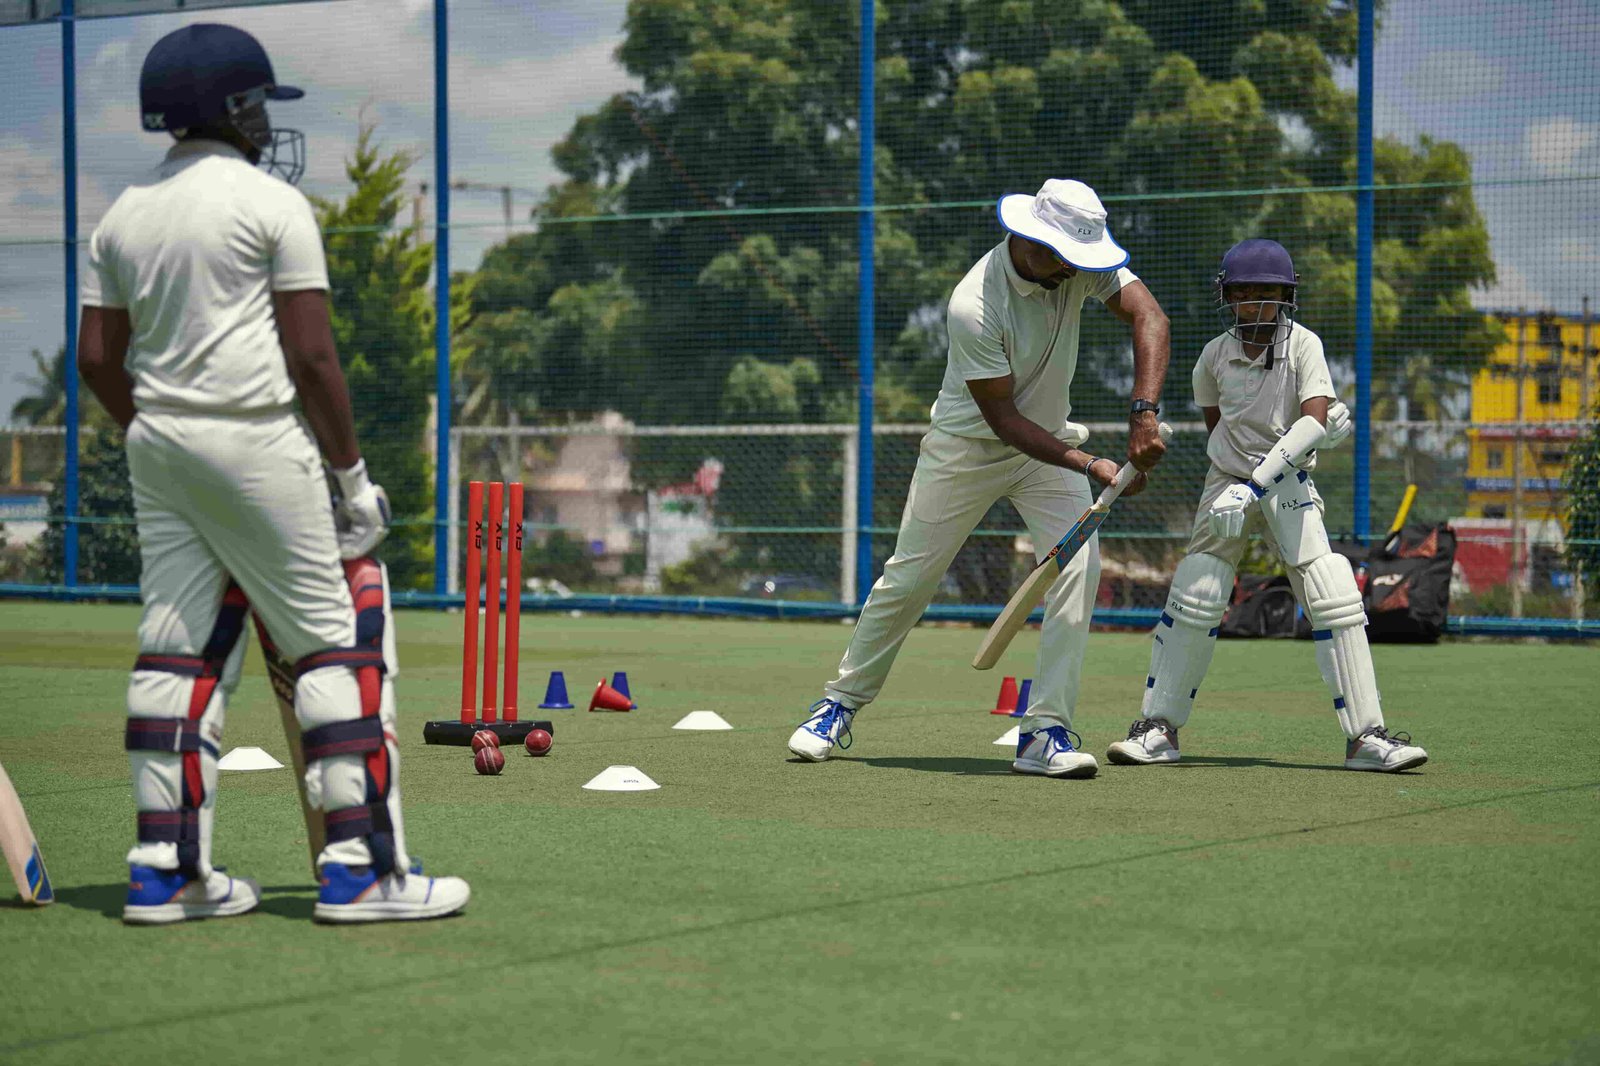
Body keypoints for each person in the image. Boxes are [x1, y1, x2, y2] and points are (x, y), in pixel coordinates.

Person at [77, 23, 470, 924]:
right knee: (333, 641)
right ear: (237, 108)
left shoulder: (122, 213)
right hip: (258, 440)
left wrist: (158, 431)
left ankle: (163, 873)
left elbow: (98, 357)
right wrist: (352, 475)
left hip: (160, 448)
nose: (266, 122)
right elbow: (312, 357)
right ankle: (361, 871)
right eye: (258, 105)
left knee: (176, 648)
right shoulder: (270, 204)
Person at [786, 179, 1170, 778]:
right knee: (909, 578)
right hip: (967, 450)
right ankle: (837, 704)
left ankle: (1045, 731)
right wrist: (1094, 465)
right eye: (1066, 259)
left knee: (1078, 568)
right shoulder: (975, 304)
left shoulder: (1073, 268)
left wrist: (1143, 413)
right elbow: (1004, 420)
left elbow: (1148, 314)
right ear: (1030, 241)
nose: (1076, 272)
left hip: (1047, 450)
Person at [1106, 238, 1428, 773]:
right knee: (1197, 591)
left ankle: (1367, 739)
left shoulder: (1305, 345)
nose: (1256, 302)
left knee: (1332, 593)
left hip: (1286, 483)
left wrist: (1265, 477)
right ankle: (1159, 730)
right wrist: (1238, 477)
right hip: (1225, 480)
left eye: (1268, 292)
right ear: (1228, 297)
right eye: (1245, 292)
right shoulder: (1212, 357)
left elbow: (1311, 421)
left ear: (1286, 296)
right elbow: (1221, 430)